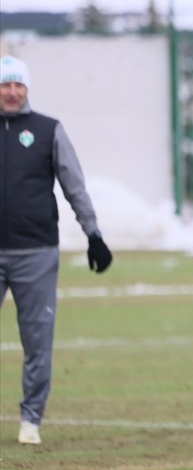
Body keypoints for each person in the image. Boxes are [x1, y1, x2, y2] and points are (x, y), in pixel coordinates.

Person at [0, 55, 112, 446]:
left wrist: (93, 234)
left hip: (36, 253)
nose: (11, 92)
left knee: (37, 341)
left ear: (27, 88)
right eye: (5, 84)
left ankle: (30, 419)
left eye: (18, 84)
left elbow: (73, 185)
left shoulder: (48, 130)